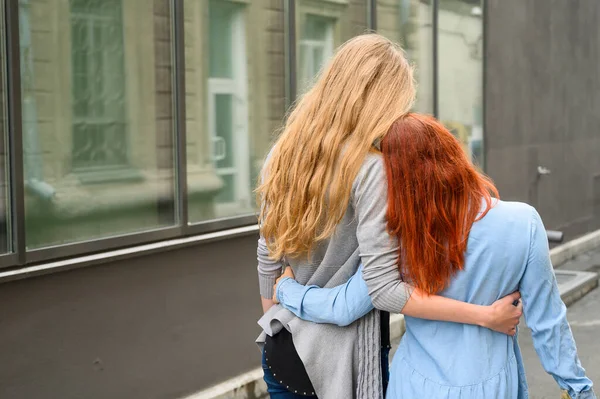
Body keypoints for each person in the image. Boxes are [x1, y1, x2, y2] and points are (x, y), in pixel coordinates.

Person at [256, 34, 523, 399]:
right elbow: (384, 291)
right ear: (381, 102)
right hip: (340, 366)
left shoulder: (281, 155)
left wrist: (276, 315)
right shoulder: (373, 171)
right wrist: (485, 316)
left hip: (280, 350)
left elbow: (267, 255)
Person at [273, 113, 596, 399]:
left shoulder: (399, 237)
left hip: (415, 385)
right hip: (493, 384)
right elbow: (548, 321)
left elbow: (345, 307)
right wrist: (577, 387)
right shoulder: (523, 222)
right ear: (454, 155)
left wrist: (287, 290)